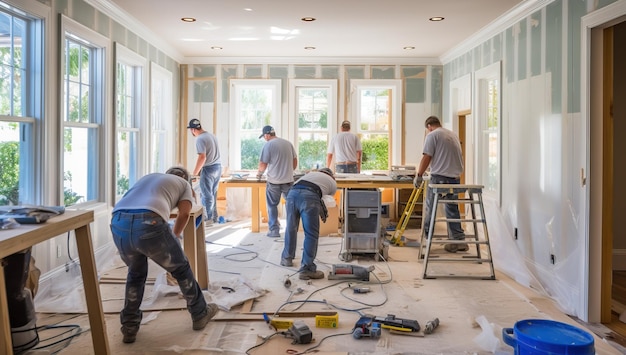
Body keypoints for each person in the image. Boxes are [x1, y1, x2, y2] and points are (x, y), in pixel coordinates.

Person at [110, 167, 218, 344]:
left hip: (118, 222)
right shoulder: (184, 185)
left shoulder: (149, 177)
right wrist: (174, 237)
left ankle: (129, 327)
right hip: (148, 221)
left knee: (135, 274)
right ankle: (200, 313)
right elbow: (185, 213)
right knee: (181, 269)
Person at [414, 116, 466, 253]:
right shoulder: (452, 134)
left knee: (430, 209)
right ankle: (458, 240)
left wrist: (419, 175)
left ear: (429, 126)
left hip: (439, 178)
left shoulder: (432, 135)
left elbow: (427, 156)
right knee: (452, 208)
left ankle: (427, 240)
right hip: (454, 177)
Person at [281, 168, 337, 280]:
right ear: (332, 176)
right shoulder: (332, 182)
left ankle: (286, 258)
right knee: (311, 234)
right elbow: (326, 198)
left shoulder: (310, 174)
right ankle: (307, 269)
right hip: (310, 196)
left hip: (292, 194)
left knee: (291, 228)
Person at [257, 125, 298, 238]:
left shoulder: (268, 145)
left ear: (267, 135)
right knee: (291, 205)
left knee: (272, 205)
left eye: (264, 136)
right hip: (288, 181)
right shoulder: (288, 143)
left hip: (274, 182)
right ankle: (292, 229)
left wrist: (259, 174)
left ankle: (274, 231)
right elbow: (295, 161)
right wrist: (289, 171)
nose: (265, 138)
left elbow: (263, 164)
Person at [187, 118, 222, 225]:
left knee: (206, 195)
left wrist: (194, 173)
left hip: (208, 169)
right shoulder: (211, 135)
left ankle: (208, 219)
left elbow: (202, 157)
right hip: (218, 167)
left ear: (193, 130)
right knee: (213, 193)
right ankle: (214, 217)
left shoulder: (200, 139)